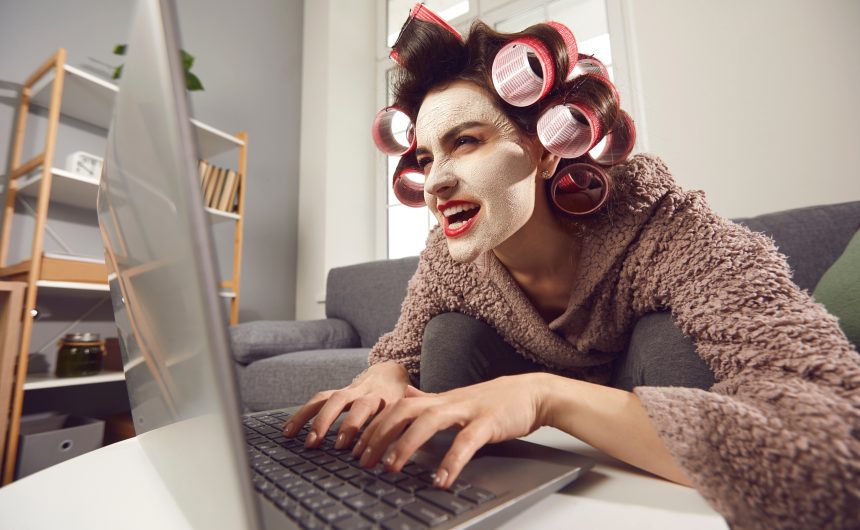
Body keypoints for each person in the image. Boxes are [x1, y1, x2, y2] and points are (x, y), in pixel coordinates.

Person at [284, 4, 860, 529]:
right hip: (525, 470)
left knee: (669, 340)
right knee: (448, 336)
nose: (436, 182)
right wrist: (386, 372)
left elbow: (837, 438)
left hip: (649, 441)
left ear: (543, 148)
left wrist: (543, 395)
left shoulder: (671, 228)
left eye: (466, 142)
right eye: (428, 157)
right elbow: (403, 347)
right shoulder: (451, 254)